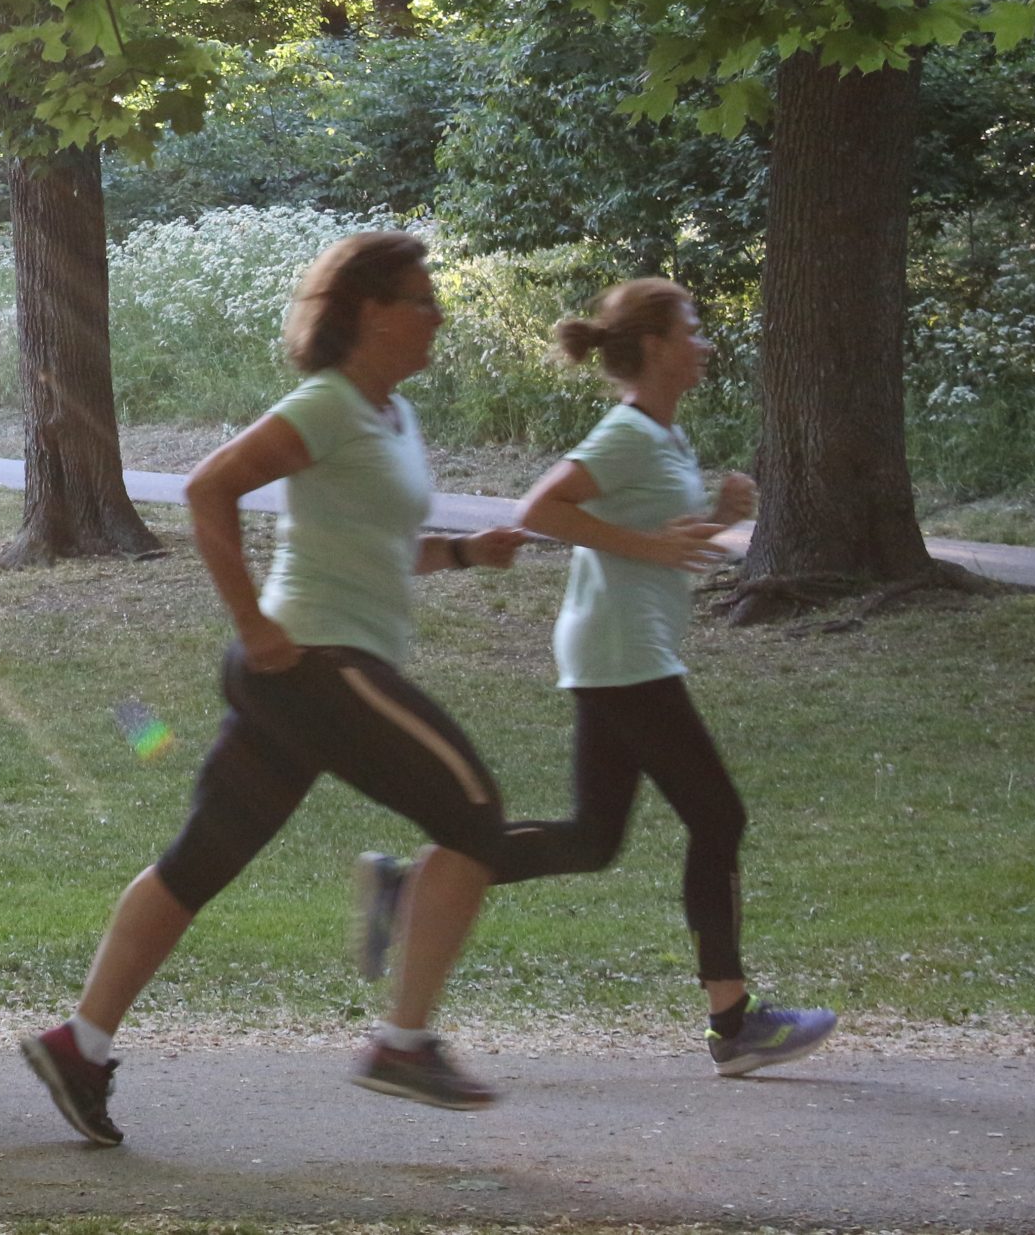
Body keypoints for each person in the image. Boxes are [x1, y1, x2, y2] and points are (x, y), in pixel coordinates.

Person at [22, 231, 531, 1144]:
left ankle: (79, 1044)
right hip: (317, 664)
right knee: (474, 817)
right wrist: (253, 622)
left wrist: (462, 552)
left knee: (198, 861)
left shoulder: (393, 415)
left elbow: (375, 546)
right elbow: (209, 488)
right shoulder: (327, 403)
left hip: (309, 674)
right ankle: (404, 1042)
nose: (438, 315)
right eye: (422, 300)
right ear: (370, 312)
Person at [355, 278, 835, 1076]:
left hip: (623, 651)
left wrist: (719, 517)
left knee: (592, 839)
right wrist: (653, 545)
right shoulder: (627, 434)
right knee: (718, 815)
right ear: (653, 346)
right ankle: (733, 1020)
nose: (705, 343)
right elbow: (542, 509)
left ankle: (410, 887)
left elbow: (652, 536)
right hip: (623, 654)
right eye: (691, 329)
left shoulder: (664, 435)